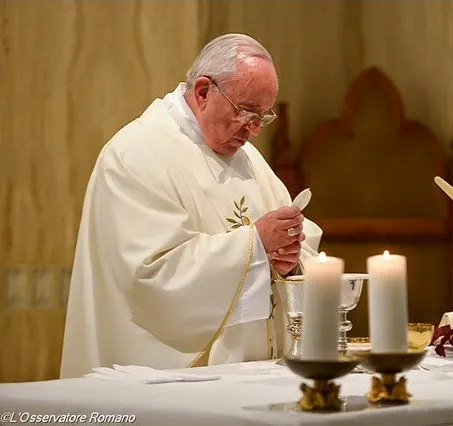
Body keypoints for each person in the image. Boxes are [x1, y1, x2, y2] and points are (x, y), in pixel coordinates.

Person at [59, 34, 322, 378]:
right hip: (158, 381)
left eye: (263, 116)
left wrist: (289, 261)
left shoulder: (248, 160)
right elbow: (152, 274)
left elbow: (299, 245)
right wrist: (255, 245)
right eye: (245, 111)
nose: (254, 130)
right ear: (202, 92)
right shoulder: (136, 154)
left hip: (250, 373)